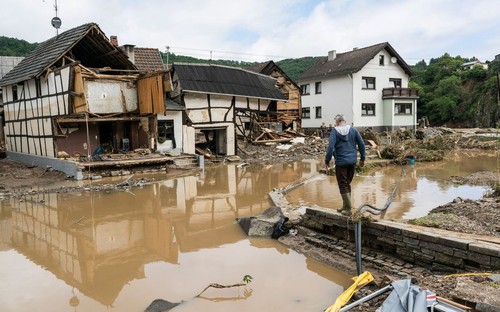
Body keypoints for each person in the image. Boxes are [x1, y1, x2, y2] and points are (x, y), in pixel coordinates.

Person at [325, 114, 366, 215]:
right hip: (352, 161)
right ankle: (345, 206)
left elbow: (330, 147)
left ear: (338, 122)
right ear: (344, 121)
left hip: (341, 162)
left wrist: (327, 161)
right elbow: (361, 144)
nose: (335, 124)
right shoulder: (353, 130)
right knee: (347, 183)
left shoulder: (335, 131)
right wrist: (362, 158)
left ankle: (348, 209)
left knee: (342, 184)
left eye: (336, 122)